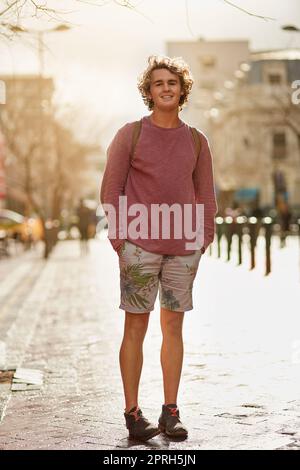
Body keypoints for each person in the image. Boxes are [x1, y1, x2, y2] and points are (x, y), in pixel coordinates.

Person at [100, 55, 218, 441]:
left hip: (183, 247)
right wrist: (120, 240)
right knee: (135, 325)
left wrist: (202, 238)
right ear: (148, 93)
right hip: (139, 246)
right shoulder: (129, 135)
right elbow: (111, 190)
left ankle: (170, 411)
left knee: (174, 326)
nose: (166, 88)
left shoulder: (197, 140)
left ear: (182, 89)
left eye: (172, 82)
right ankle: (134, 414)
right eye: (158, 83)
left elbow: (205, 194)